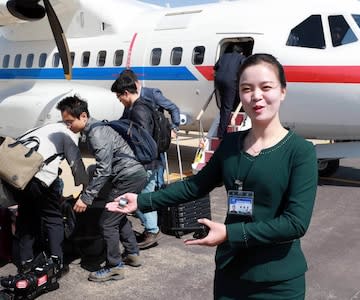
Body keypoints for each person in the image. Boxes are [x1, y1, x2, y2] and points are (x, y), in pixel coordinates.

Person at [107, 53, 318, 299]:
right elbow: (195, 186)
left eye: (266, 87)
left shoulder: (300, 152)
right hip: (231, 271)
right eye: (246, 89)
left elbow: (295, 223)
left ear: (282, 91)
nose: (256, 96)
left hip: (277, 281)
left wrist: (230, 234)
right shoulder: (230, 144)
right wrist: (142, 201)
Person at [56, 95, 148, 282]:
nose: (68, 126)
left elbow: (104, 169)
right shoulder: (95, 130)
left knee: (107, 223)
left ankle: (114, 267)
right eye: (65, 122)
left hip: (127, 180)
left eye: (70, 121)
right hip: (132, 177)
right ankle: (132, 254)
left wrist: (86, 197)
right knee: (117, 215)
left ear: (83, 116)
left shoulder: (96, 133)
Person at [6, 122, 88, 275]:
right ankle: (56, 261)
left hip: (18, 178)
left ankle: (26, 263)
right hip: (41, 177)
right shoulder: (66, 133)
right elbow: (75, 162)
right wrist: (85, 187)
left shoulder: (36, 129)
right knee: (53, 217)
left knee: (26, 218)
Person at [115, 69, 181, 249]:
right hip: (151, 160)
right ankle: (151, 228)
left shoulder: (140, 108)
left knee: (140, 196)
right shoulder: (139, 105)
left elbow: (142, 139)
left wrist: (175, 127)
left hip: (147, 161)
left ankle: (152, 230)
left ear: (127, 92)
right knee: (146, 193)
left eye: (120, 96)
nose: (119, 100)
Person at [213, 44, 246, 139]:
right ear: (241, 52)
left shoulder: (223, 56)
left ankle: (232, 108)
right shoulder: (241, 58)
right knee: (227, 107)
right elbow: (245, 70)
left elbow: (215, 67)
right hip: (230, 82)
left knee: (224, 105)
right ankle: (221, 134)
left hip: (218, 81)